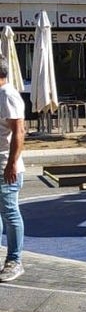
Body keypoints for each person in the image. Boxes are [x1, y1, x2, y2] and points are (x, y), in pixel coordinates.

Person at [0, 56, 26, 282]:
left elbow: (19, 132)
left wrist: (11, 165)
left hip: (5, 167)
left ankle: (14, 261)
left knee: (10, 213)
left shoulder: (8, 95)